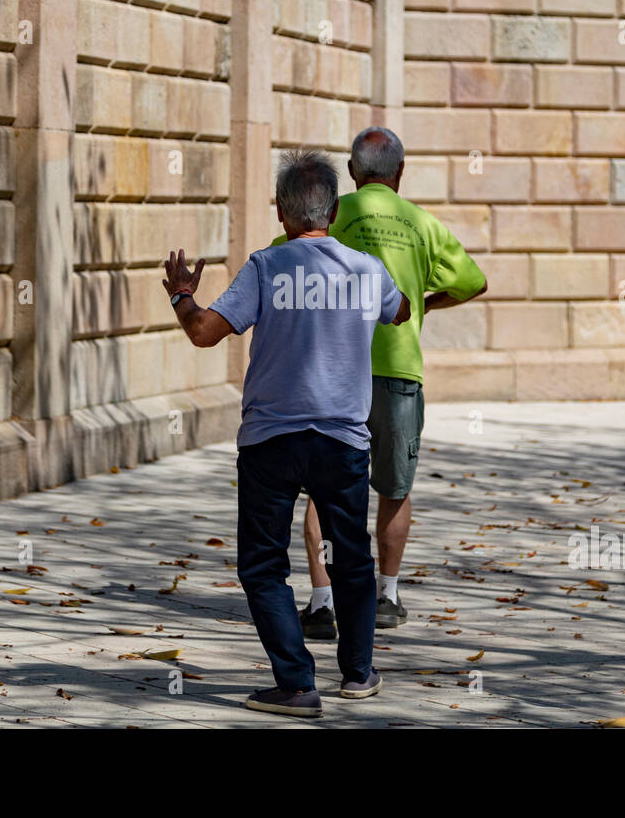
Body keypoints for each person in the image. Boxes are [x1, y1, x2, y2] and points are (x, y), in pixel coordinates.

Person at [162, 148, 411, 718]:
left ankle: (297, 684)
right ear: (335, 211)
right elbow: (398, 313)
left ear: (280, 213)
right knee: (351, 561)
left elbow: (203, 333)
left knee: (263, 565)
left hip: (271, 441)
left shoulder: (264, 267)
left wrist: (181, 295)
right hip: (343, 441)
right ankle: (358, 673)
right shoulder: (365, 270)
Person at [290, 127, 487, 636]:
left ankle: (322, 601)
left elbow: (286, 255)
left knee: (321, 489)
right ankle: (388, 596)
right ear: (400, 172)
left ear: (352, 173)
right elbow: (472, 281)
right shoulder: (422, 224)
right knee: (395, 489)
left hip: (335, 369)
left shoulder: (334, 215)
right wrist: (420, 302)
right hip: (399, 370)